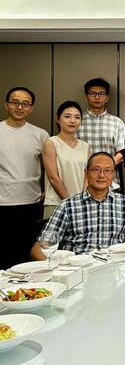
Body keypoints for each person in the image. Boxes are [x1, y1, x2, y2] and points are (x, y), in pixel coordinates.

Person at [32, 152, 125, 256]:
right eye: (96, 170)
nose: (102, 175)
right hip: (77, 269)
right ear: (86, 173)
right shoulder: (67, 206)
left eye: (107, 170)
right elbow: (38, 249)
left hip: (113, 267)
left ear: (113, 175)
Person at [0, 87, 49, 269]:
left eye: (25, 103)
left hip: (31, 203)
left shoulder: (40, 134)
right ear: (7, 105)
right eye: (15, 102)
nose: (19, 107)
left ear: (31, 108)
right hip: (2, 204)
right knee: (4, 255)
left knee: (26, 256)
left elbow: (51, 169)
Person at [43, 101, 90, 219]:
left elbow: (87, 176)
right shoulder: (51, 143)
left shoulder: (86, 146)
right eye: (67, 116)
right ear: (58, 119)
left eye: (77, 117)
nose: (73, 120)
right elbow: (53, 177)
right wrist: (69, 202)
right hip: (56, 203)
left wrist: (81, 200)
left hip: (81, 204)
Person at [77, 77, 125, 190]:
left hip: (111, 182)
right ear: (86, 96)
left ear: (107, 97)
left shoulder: (117, 122)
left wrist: (104, 167)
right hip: (81, 181)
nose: (97, 97)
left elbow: (121, 153)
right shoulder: (77, 121)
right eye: (93, 93)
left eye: (101, 94)